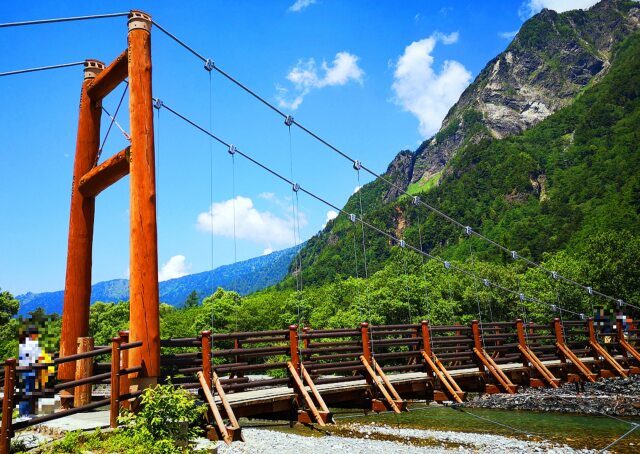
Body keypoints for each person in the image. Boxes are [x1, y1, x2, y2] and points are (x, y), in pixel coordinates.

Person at [18, 326, 42, 417]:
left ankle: (22, 413)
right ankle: (26, 414)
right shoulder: (34, 344)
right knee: (28, 392)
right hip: (30, 371)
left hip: (22, 370)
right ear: (33, 334)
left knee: (23, 392)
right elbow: (39, 357)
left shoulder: (23, 343)